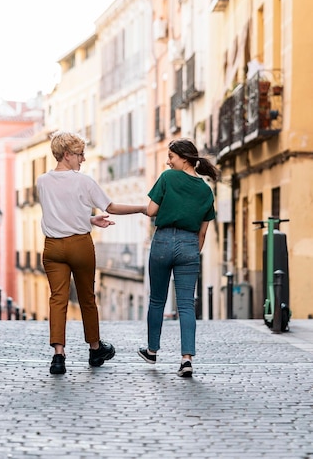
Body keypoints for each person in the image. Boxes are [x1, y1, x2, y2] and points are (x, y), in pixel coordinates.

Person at [37, 130, 147, 375]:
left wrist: (89, 218)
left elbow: (59, 212)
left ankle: (58, 356)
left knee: (57, 299)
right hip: (79, 245)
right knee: (87, 298)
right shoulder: (84, 181)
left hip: (52, 247)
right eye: (79, 154)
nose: (82, 159)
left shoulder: (42, 181)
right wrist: (142, 208)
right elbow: (112, 207)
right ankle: (95, 349)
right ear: (66, 155)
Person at [138, 138, 219, 377]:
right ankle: (186, 360)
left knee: (157, 300)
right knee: (186, 304)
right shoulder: (206, 190)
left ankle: (152, 351)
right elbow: (203, 232)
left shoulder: (167, 177)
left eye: (171, 156)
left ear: (184, 158)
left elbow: (151, 211)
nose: (167, 161)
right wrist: (192, 252)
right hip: (189, 245)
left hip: (163, 240)